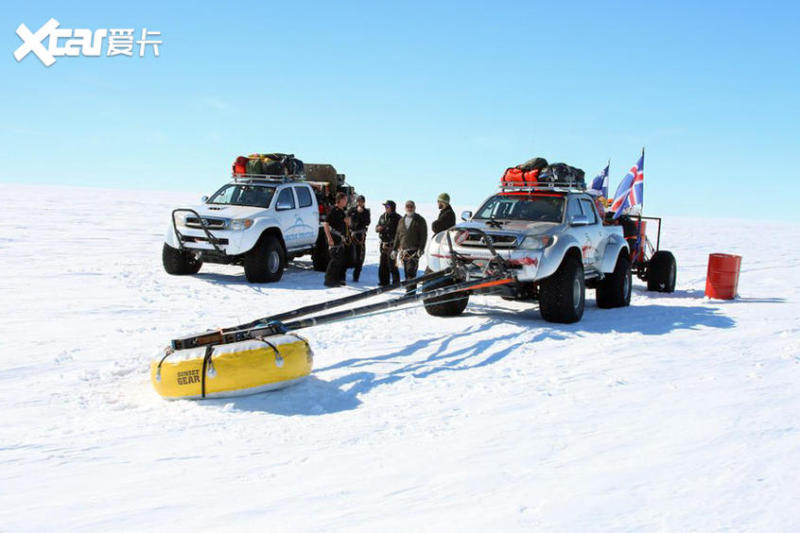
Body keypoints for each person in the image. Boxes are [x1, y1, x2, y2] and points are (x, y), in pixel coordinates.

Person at [392, 200, 427, 292]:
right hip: (404, 251)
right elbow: (397, 235)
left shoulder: (420, 220)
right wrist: (394, 249)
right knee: (407, 272)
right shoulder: (401, 221)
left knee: (411, 271)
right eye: (407, 206)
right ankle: (409, 291)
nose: (409, 208)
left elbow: (424, 235)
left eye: (411, 206)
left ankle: (410, 293)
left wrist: (421, 249)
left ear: (414, 208)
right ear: (405, 208)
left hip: (414, 251)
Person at [323, 192, 350, 288]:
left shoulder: (342, 211)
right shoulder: (333, 211)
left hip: (340, 239)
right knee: (334, 260)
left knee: (340, 260)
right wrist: (329, 238)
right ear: (340, 200)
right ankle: (329, 280)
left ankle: (336, 279)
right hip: (334, 238)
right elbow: (326, 224)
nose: (346, 202)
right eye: (345, 200)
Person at [376, 200, 401, 286]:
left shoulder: (398, 218)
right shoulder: (383, 216)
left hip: (392, 245)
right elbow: (377, 227)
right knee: (383, 264)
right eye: (385, 207)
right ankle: (384, 282)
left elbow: (401, 232)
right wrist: (378, 228)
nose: (385, 208)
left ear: (392, 208)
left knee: (392, 264)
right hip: (383, 244)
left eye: (387, 207)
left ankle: (396, 282)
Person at [347, 195, 371, 282]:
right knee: (348, 254)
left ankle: (356, 275)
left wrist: (360, 214)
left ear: (364, 202)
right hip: (350, 234)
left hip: (360, 236)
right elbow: (347, 218)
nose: (359, 202)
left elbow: (367, 222)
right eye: (358, 201)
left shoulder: (366, 212)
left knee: (359, 256)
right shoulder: (352, 210)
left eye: (361, 201)